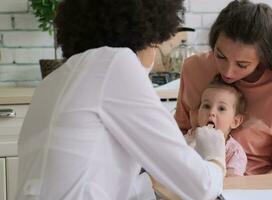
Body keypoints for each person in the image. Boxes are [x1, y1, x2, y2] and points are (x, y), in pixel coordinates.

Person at [16, 0, 227, 200]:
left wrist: (174, 155)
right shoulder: (115, 63)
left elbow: (103, 180)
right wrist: (216, 157)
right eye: (156, 45)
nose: (155, 53)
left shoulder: (53, 81)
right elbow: (201, 187)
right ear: (145, 35)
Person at [175, 0, 272, 175]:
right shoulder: (194, 68)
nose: (228, 72)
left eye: (242, 64)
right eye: (220, 56)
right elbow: (180, 129)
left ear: (264, 57)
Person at [185, 76, 247, 176]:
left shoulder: (234, 152)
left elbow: (232, 183)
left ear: (235, 121)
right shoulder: (190, 138)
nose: (211, 112)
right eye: (206, 106)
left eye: (221, 108)